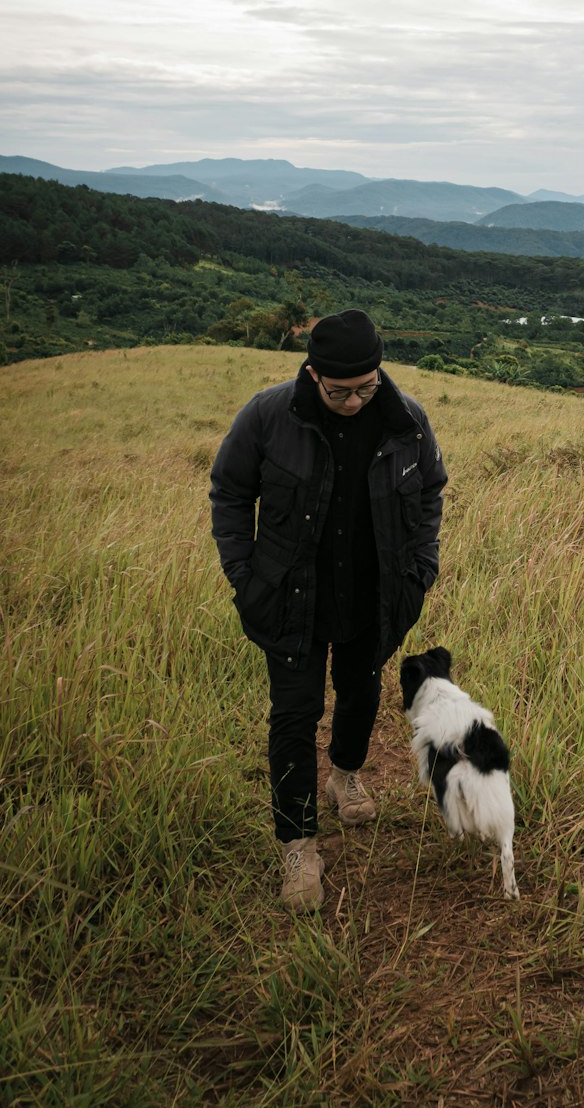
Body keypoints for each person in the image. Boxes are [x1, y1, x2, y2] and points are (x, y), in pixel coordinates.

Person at [209, 309, 446, 912]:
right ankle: (298, 842)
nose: (354, 401)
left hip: (374, 596)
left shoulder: (407, 421)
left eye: (366, 388)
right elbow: (231, 492)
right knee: (294, 715)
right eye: (340, 391)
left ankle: (345, 773)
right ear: (313, 375)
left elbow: (430, 493)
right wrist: (243, 575)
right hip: (291, 598)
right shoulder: (267, 415)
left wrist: (420, 572)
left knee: (361, 693)